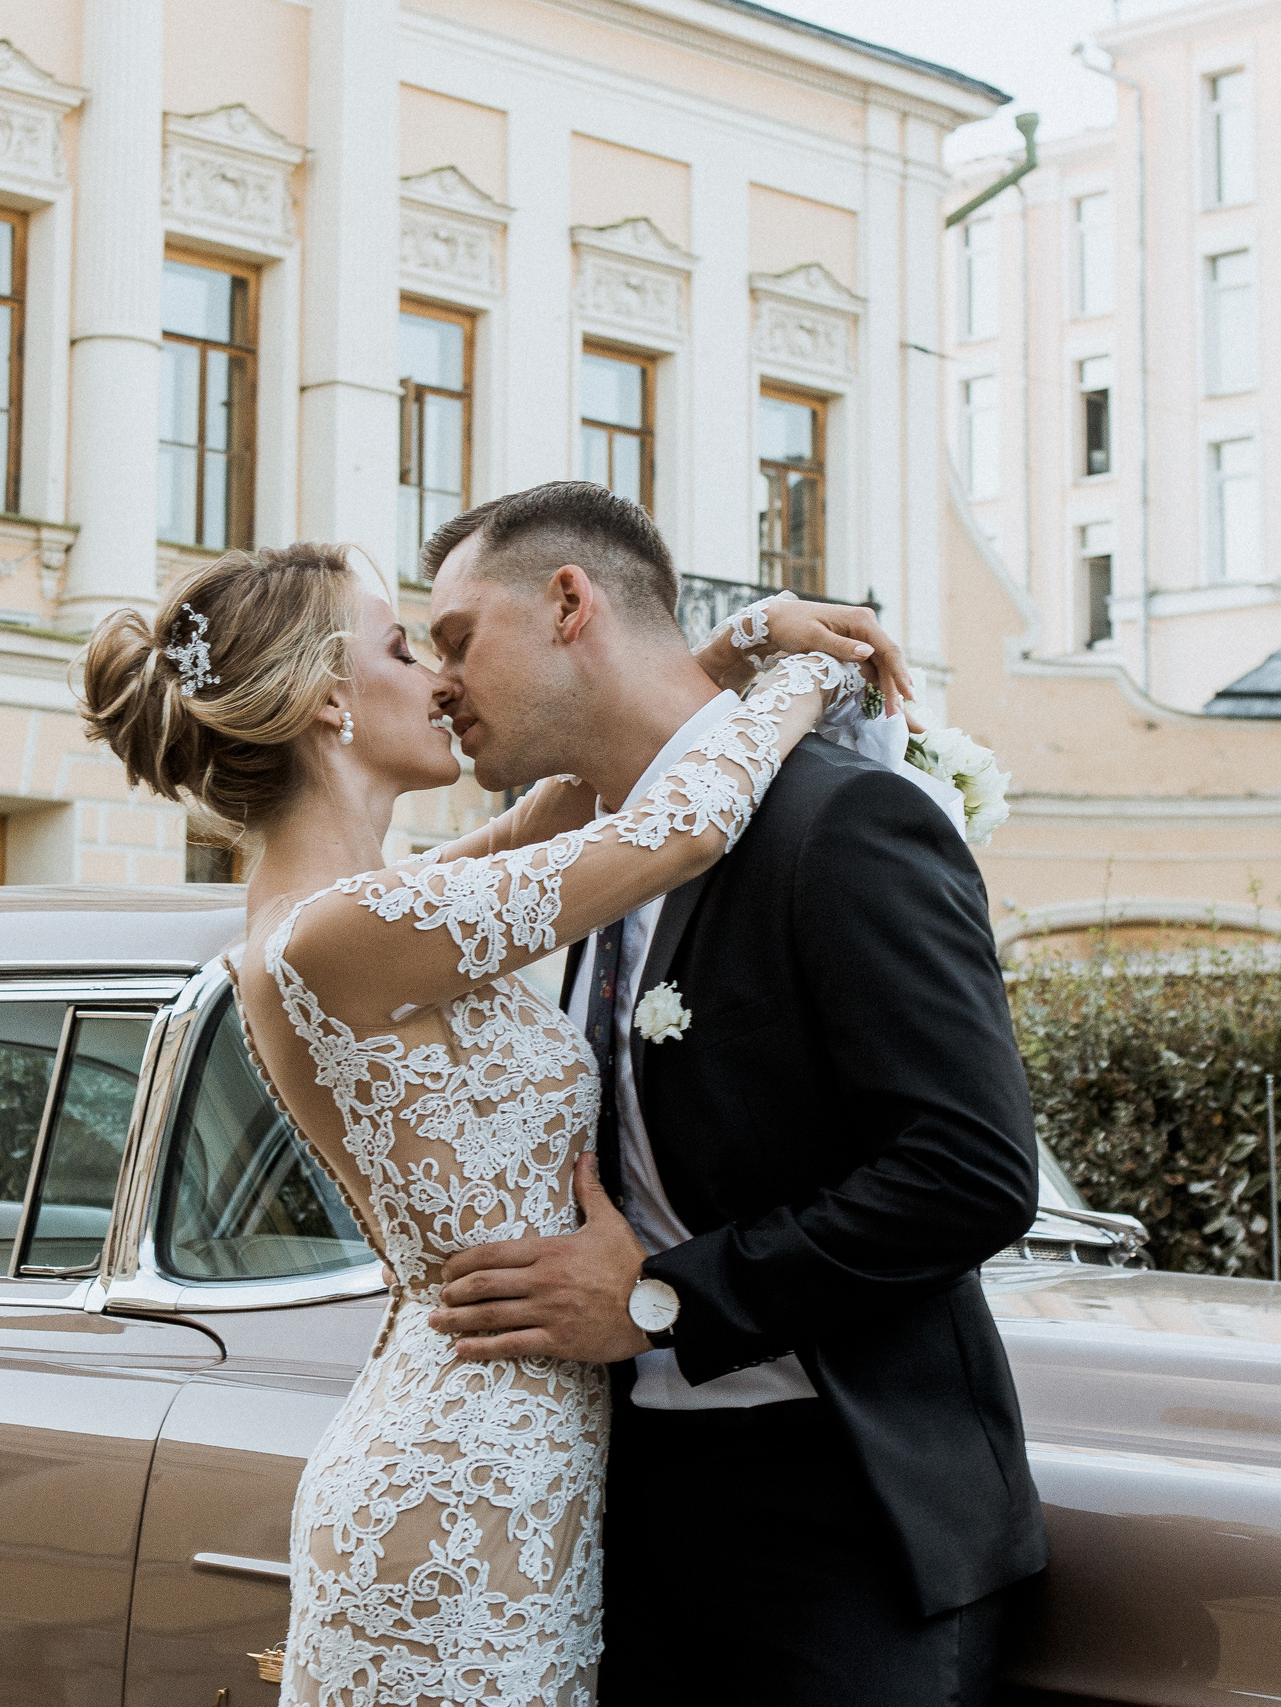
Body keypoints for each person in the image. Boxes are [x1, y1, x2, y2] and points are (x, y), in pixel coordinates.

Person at [78, 501, 901, 1707]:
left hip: (523, 1455)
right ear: (327, 702)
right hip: (459, 1484)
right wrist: (803, 674)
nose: (443, 679)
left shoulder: (359, 909)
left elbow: (555, 812)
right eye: (406, 649)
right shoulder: (331, 935)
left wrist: (717, 652)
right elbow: (677, 829)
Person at [419, 482, 1046, 1705]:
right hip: (631, 1509)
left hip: (847, 1517)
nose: (441, 682)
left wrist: (662, 1301)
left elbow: (969, 1172)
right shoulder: (595, 867)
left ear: (567, 603)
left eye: (454, 639)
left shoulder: (843, 821)